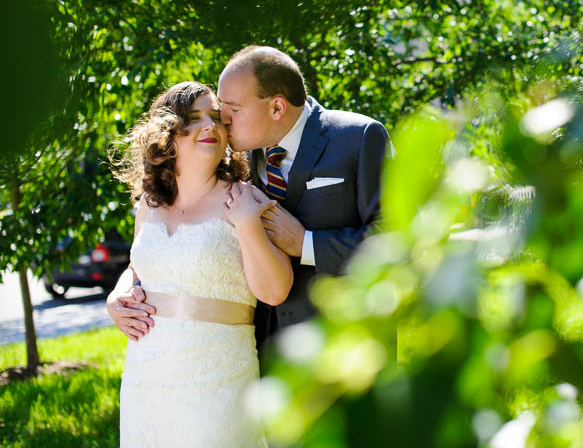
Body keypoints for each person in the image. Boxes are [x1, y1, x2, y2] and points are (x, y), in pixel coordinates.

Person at [108, 45, 391, 353]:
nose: (221, 121)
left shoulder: (359, 137)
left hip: (347, 344)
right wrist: (120, 293)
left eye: (232, 109)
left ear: (277, 108)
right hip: (259, 353)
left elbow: (398, 240)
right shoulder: (233, 156)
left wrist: (306, 244)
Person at [111, 81, 293, 447]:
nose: (210, 126)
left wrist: (245, 223)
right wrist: (116, 297)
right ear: (168, 133)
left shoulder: (245, 199)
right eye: (194, 119)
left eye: (216, 118)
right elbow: (141, 265)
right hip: (145, 377)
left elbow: (275, 291)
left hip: (218, 377)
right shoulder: (149, 204)